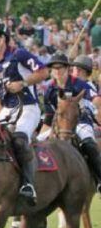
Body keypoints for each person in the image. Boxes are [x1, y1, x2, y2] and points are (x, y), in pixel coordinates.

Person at [0, 20, 48, 205]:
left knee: (19, 139)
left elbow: (44, 72)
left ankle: (28, 185)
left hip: (28, 107)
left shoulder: (19, 54)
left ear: (3, 38)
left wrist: (23, 83)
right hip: (7, 109)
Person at [40, 53, 101, 193]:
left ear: (67, 68)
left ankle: (99, 178)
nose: (57, 71)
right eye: (53, 68)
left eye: (60, 68)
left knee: (89, 143)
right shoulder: (50, 89)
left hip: (81, 123)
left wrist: (88, 106)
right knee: (35, 144)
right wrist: (42, 134)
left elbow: (96, 99)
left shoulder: (79, 84)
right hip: (58, 126)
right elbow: (49, 116)